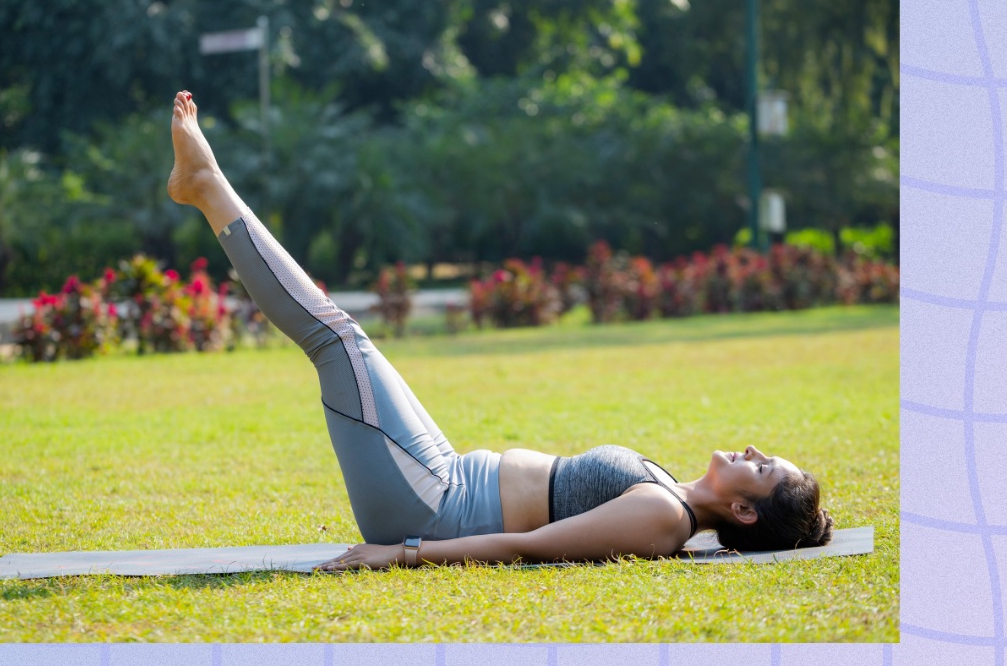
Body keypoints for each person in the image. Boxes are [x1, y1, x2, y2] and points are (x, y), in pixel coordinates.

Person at [166, 90, 834, 572]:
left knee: (337, 338)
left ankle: (207, 187)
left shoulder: (665, 518)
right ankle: (207, 187)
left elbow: (528, 548)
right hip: (447, 474)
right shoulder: (670, 494)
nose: (752, 448)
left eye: (764, 465)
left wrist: (398, 554)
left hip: (430, 508)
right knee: (342, 336)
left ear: (746, 512)